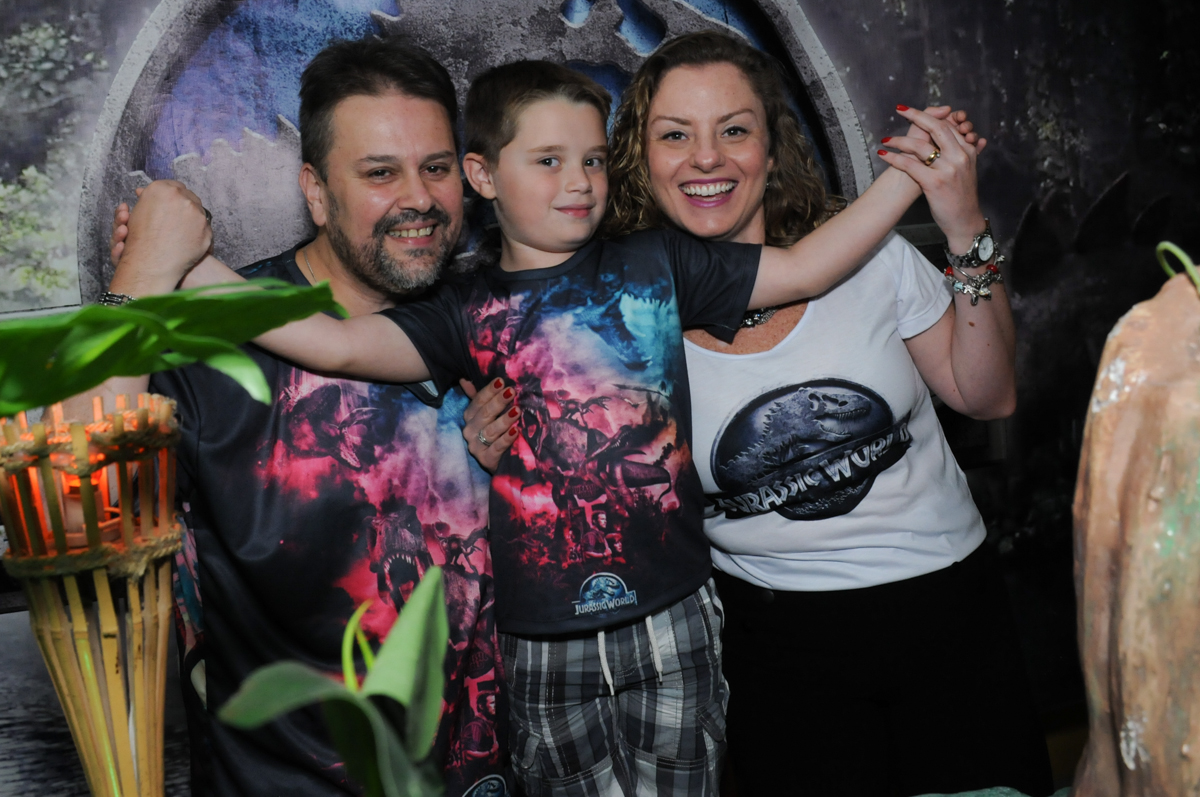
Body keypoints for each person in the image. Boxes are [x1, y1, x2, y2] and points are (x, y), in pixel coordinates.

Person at [120, 56, 963, 796]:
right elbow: (335, 347)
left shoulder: (656, 259)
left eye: (594, 159)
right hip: (533, 652)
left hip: (668, 619)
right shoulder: (462, 307)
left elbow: (808, 264)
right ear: (488, 176)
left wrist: (909, 176)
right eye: (551, 160)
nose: (580, 181)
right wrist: (186, 272)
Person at [599, 31, 1052, 796]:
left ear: (772, 152)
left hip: (948, 610)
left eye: (734, 130)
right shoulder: (619, 317)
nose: (706, 157)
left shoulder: (871, 257)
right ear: (642, 160)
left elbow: (988, 395)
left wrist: (964, 226)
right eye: (676, 135)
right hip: (774, 644)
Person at [93, 37, 510, 797]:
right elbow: (72, 504)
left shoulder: (500, 308)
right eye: (380, 173)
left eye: (437, 168)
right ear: (316, 193)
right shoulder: (211, 350)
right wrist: (144, 276)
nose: (419, 199)